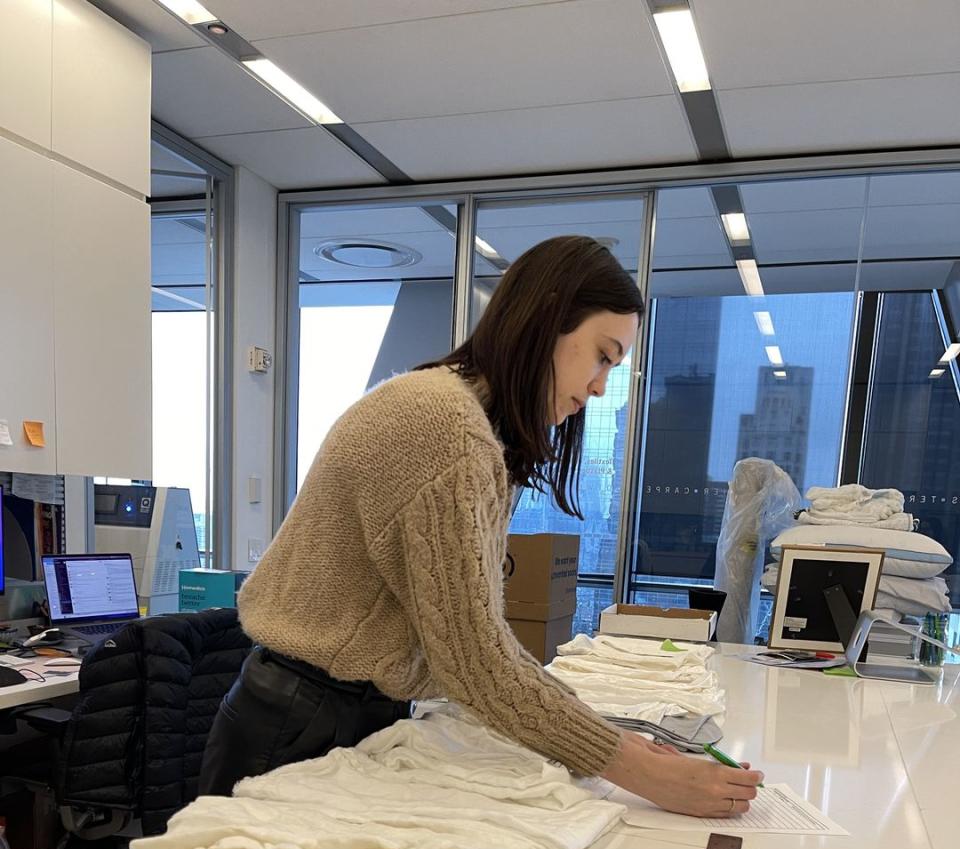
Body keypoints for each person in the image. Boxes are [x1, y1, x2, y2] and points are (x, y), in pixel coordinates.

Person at [199, 236, 762, 817]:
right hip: (299, 723)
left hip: (337, 711)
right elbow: (475, 663)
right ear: (547, 320)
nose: (599, 387)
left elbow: (479, 644)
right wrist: (640, 770)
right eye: (601, 355)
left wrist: (603, 737)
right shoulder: (443, 426)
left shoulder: (477, 429)